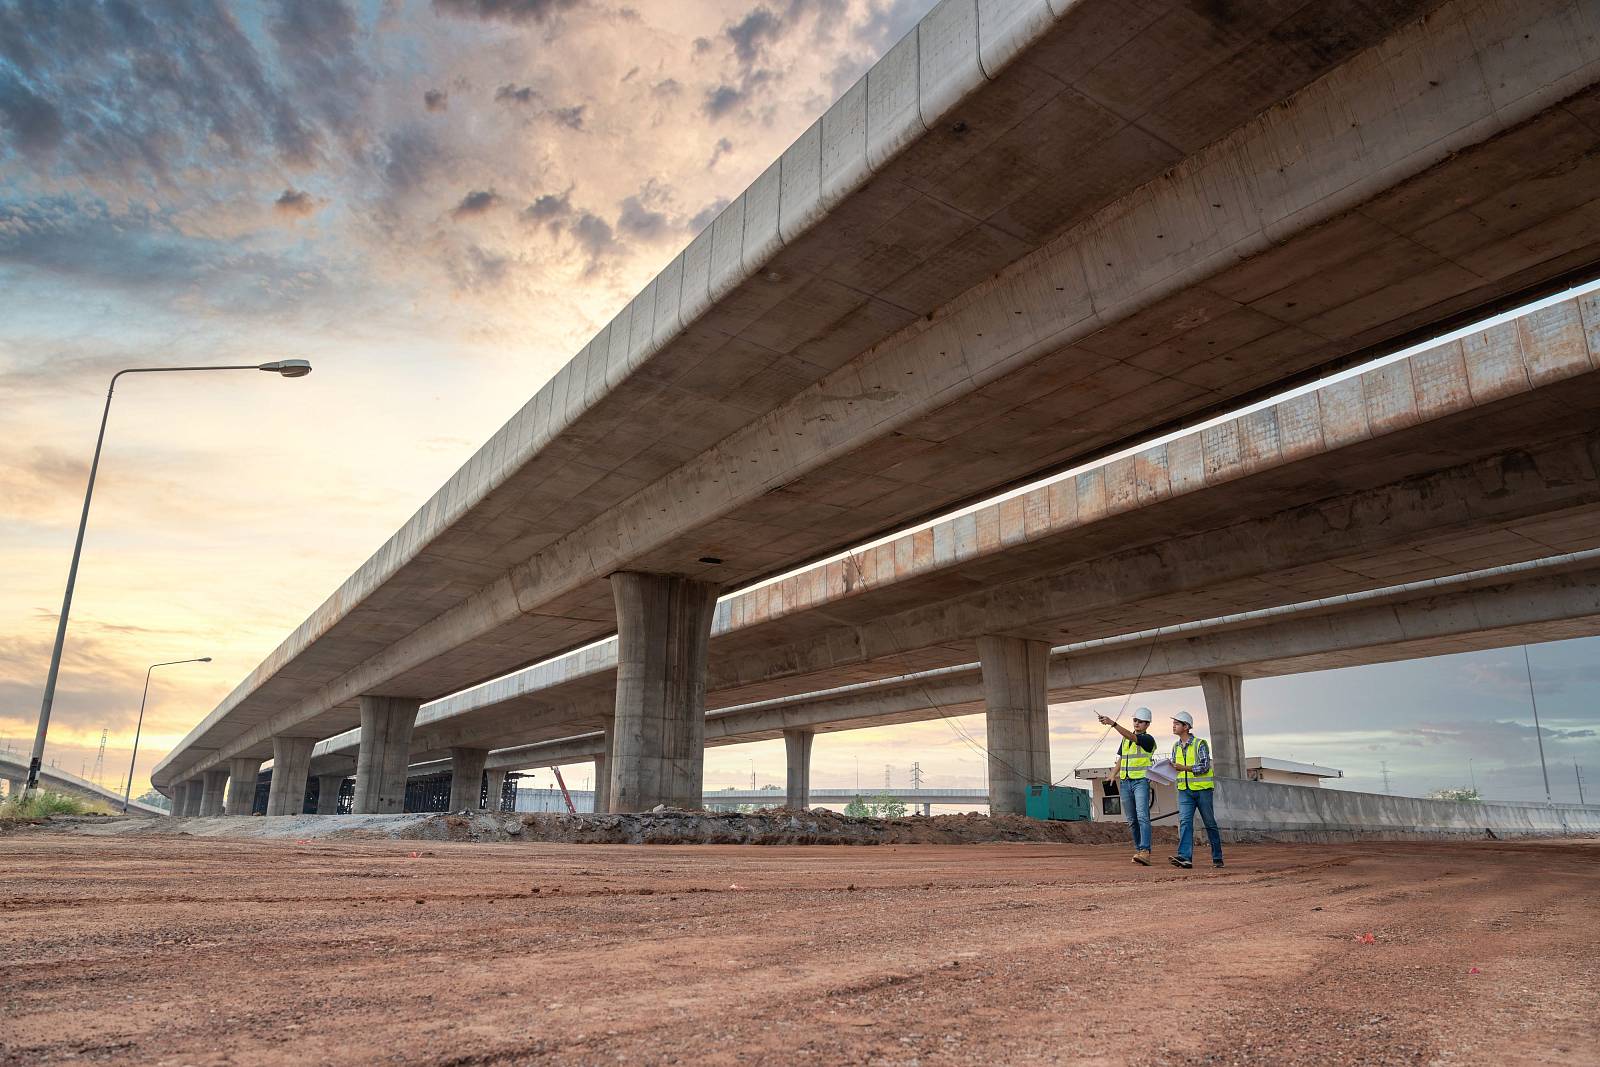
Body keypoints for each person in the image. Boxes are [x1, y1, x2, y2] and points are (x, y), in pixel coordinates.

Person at [1100, 707, 1156, 865]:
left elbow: (1132, 737)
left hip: (1140, 782)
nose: (1137, 723)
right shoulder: (1125, 740)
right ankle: (1139, 850)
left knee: (1142, 816)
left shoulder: (1148, 739)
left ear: (1147, 724)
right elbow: (1122, 758)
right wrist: (1113, 774)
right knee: (1132, 819)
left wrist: (1113, 724)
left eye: (1140, 721)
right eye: (1135, 720)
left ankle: (1145, 851)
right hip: (1125, 782)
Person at [1170, 710, 1223, 869]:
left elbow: (1205, 767)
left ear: (1186, 727)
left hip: (1202, 790)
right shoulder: (1175, 747)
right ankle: (1185, 857)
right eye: (1173, 723)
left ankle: (1217, 857)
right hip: (1184, 790)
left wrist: (1183, 768)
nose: (1173, 726)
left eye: (1177, 724)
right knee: (1185, 822)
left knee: (1210, 824)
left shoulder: (1200, 744)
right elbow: (1175, 767)